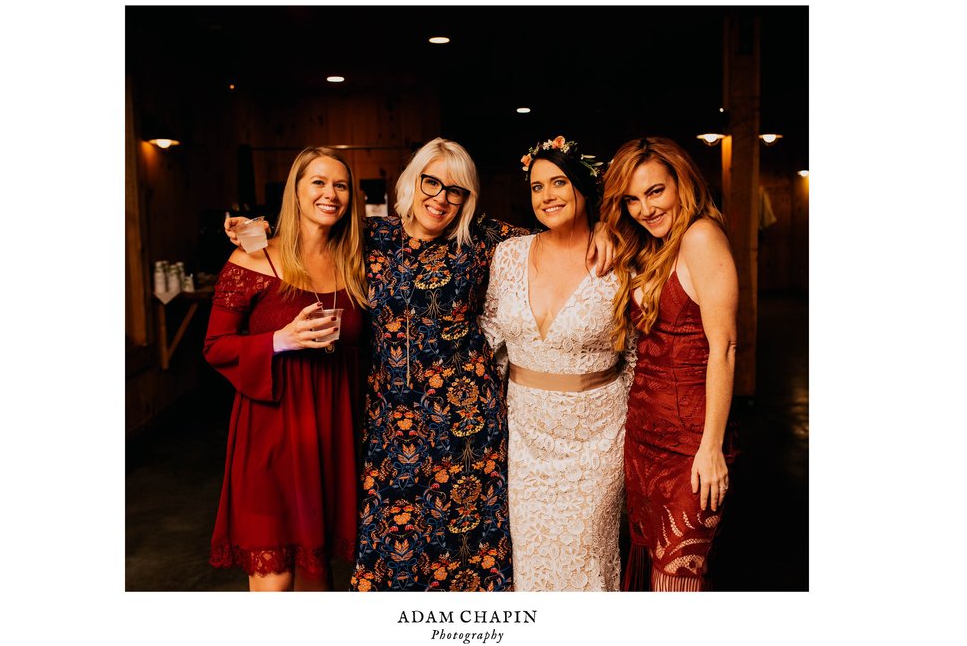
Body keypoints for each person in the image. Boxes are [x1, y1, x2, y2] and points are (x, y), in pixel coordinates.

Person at [226, 137, 614, 591]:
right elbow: (309, 232)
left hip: (467, 427)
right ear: (413, 181)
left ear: (467, 199)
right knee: (392, 549)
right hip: (390, 425)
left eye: (456, 190)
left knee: (467, 551)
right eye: (432, 182)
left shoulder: (487, 239)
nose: (441, 198)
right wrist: (257, 230)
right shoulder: (370, 237)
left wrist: (604, 227)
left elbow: (559, 229)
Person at [203, 146, 368, 591]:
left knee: (317, 582)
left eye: (340, 185)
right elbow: (215, 347)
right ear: (295, 191)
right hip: (270, 433)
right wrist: (281, 340)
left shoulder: (358, 261)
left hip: (331, 433)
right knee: (274, 581)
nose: (330, 193)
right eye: (317, 182)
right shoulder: (254, 258)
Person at [480, 136, 635, 591]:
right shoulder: (508, 254)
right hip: (526, 438)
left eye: (559, 182)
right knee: (532, 562)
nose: (547, 195)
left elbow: (639, 354)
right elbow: (490, 335)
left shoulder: (621, 257)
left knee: (586, 559)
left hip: (597, 438)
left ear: (584, 188)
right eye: (536, 186)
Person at [600, 136, 738, 592]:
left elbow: (724, 348)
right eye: (632, 199)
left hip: (692, 444)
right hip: (644, 438)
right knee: (651, 568)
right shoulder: (649, 245)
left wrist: (712, 447)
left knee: (677, 581)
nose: (645, 208)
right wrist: (604, 228)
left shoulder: (701, 236)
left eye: (655, 191)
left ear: (682, 182)